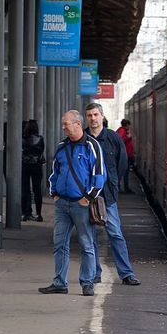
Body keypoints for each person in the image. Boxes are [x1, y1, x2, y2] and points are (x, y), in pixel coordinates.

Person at [40, 110, 106, 297]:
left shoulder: (92, 146)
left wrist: (88, 198)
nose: (63, 127)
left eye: (65, 124)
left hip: (81, 204)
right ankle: (60, 282)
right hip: (62, 204)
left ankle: (87, 283)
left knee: (87, 244)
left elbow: (99, 176)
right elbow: (54, 172)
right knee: (59, 244)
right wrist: (54, 194)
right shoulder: (62, 146)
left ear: (77, 124)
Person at [84, 103, 141, 286]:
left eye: (95, 115)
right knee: (90, 236)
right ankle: (94, 273)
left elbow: (122, 164)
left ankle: (126, 274)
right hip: (86, 196)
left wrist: (113, 184)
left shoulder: (113, 138)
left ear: (102, 116)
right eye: (89, 115)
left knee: (115, 234)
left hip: (107, 195)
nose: (93, 119)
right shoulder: (81, 139)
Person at [21, 119, 46, 222]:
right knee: (37, 190)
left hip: (25, 165)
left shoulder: (23, 139)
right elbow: (41, 150)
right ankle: (39, 214)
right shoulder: (40, 139)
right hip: (37, 166)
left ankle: (25, 213)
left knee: (25, 190)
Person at [116, 119, 135, 193]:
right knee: (124, 172)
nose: (129, 127)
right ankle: (124, 188)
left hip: (127, 154)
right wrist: (128, 137)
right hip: (125, 155)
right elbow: (120, 140)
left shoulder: (122, 130)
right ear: (126, 125)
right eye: (128, 125)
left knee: (125, 172)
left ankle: (123, 188)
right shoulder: (122, 131)